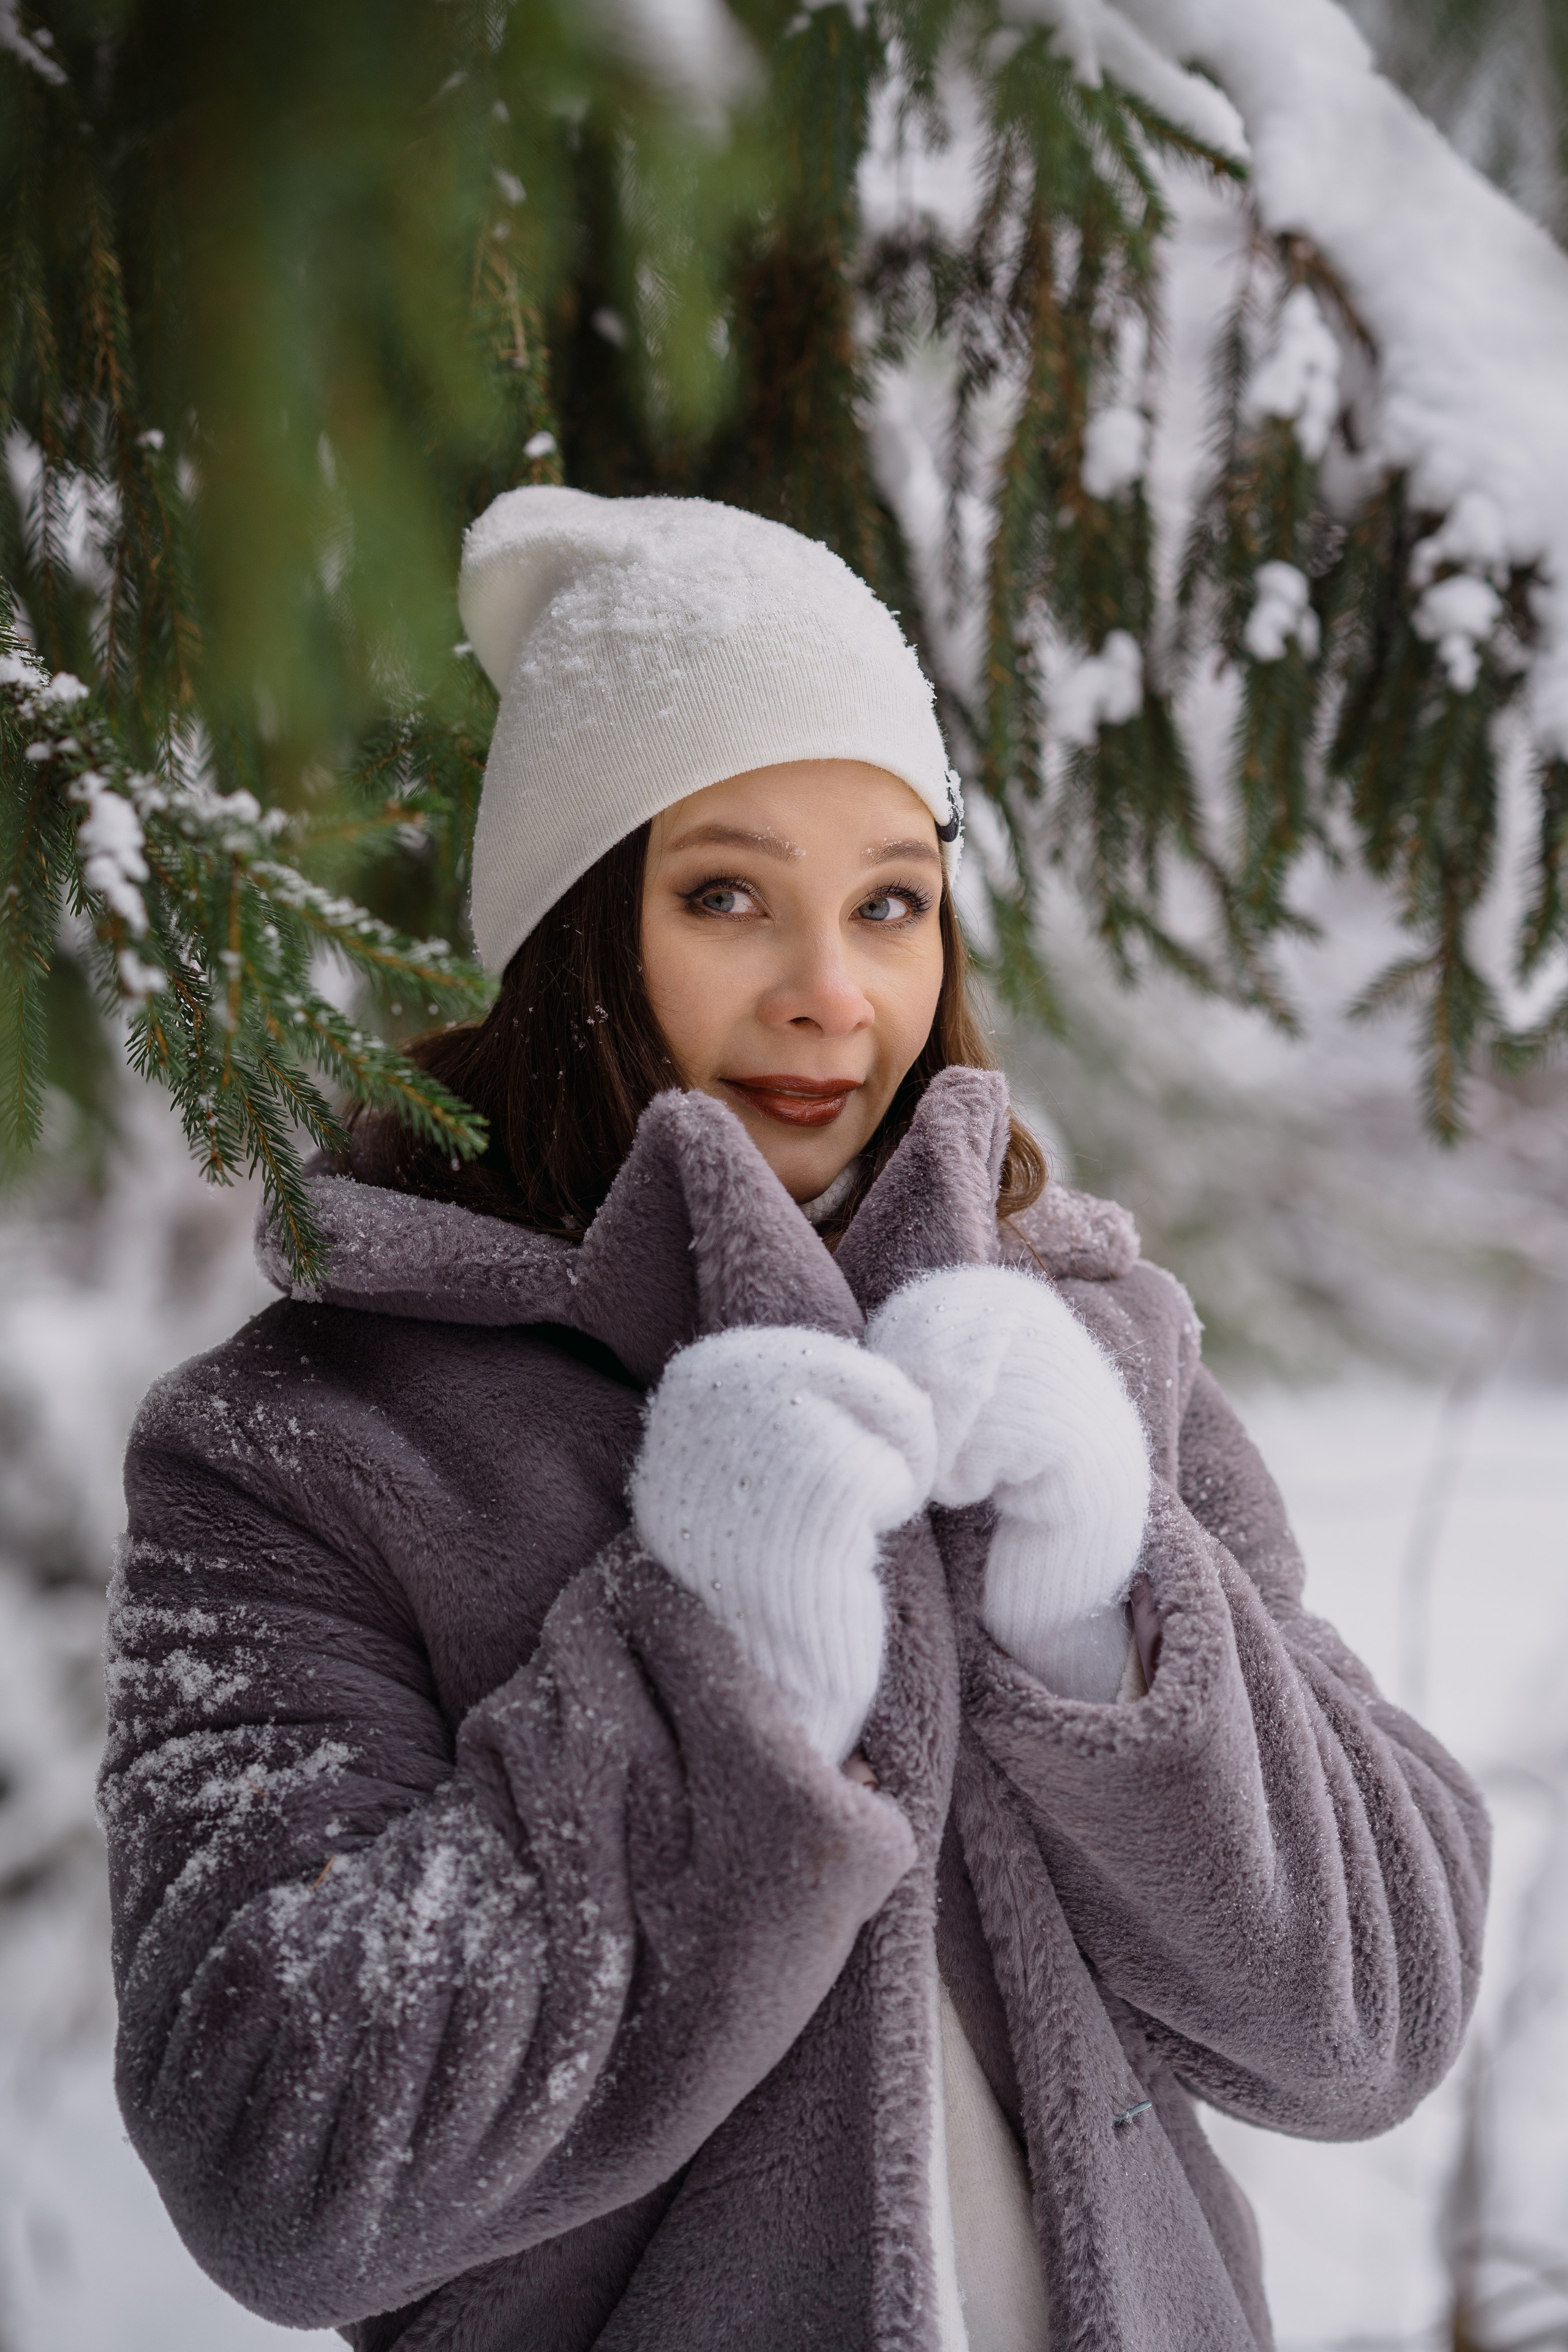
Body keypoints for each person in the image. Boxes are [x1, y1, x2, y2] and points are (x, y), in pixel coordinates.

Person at [101, 487, 1488, 2352]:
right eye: (728, 894)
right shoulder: (298, 1446)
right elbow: (282, 2164)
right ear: (577, 934)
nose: (834, 995)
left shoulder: (1096, 1358)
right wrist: (718, 1662)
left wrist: (1104, 1608)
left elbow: (1375, 2021)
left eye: (893, 902)